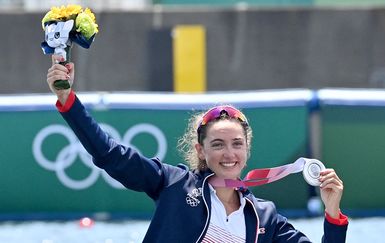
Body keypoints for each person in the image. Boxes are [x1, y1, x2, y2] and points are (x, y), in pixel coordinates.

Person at [46, 55, 348, 242]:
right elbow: (109, 154)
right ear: (200, 151)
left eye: (236, 144)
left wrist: (332, 212)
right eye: (217, 144)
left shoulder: (265, 219)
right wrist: (67, 100)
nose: (228, 153)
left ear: (246, 150)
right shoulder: (173, 184)